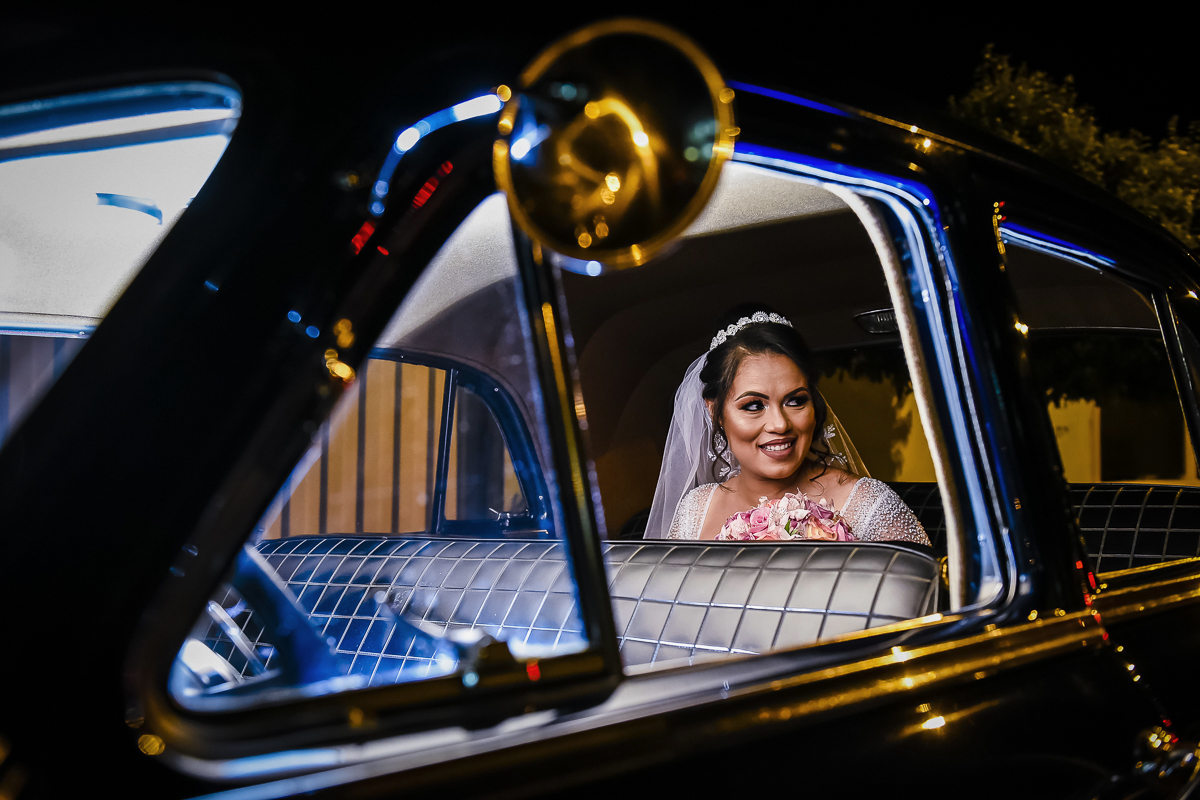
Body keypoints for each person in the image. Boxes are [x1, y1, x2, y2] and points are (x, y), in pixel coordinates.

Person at [646, 304, 929, 544]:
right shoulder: (696, 510)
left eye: (795, 401)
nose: (780, 424)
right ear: (715, 412)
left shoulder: (868, 504)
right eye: (753, 405)